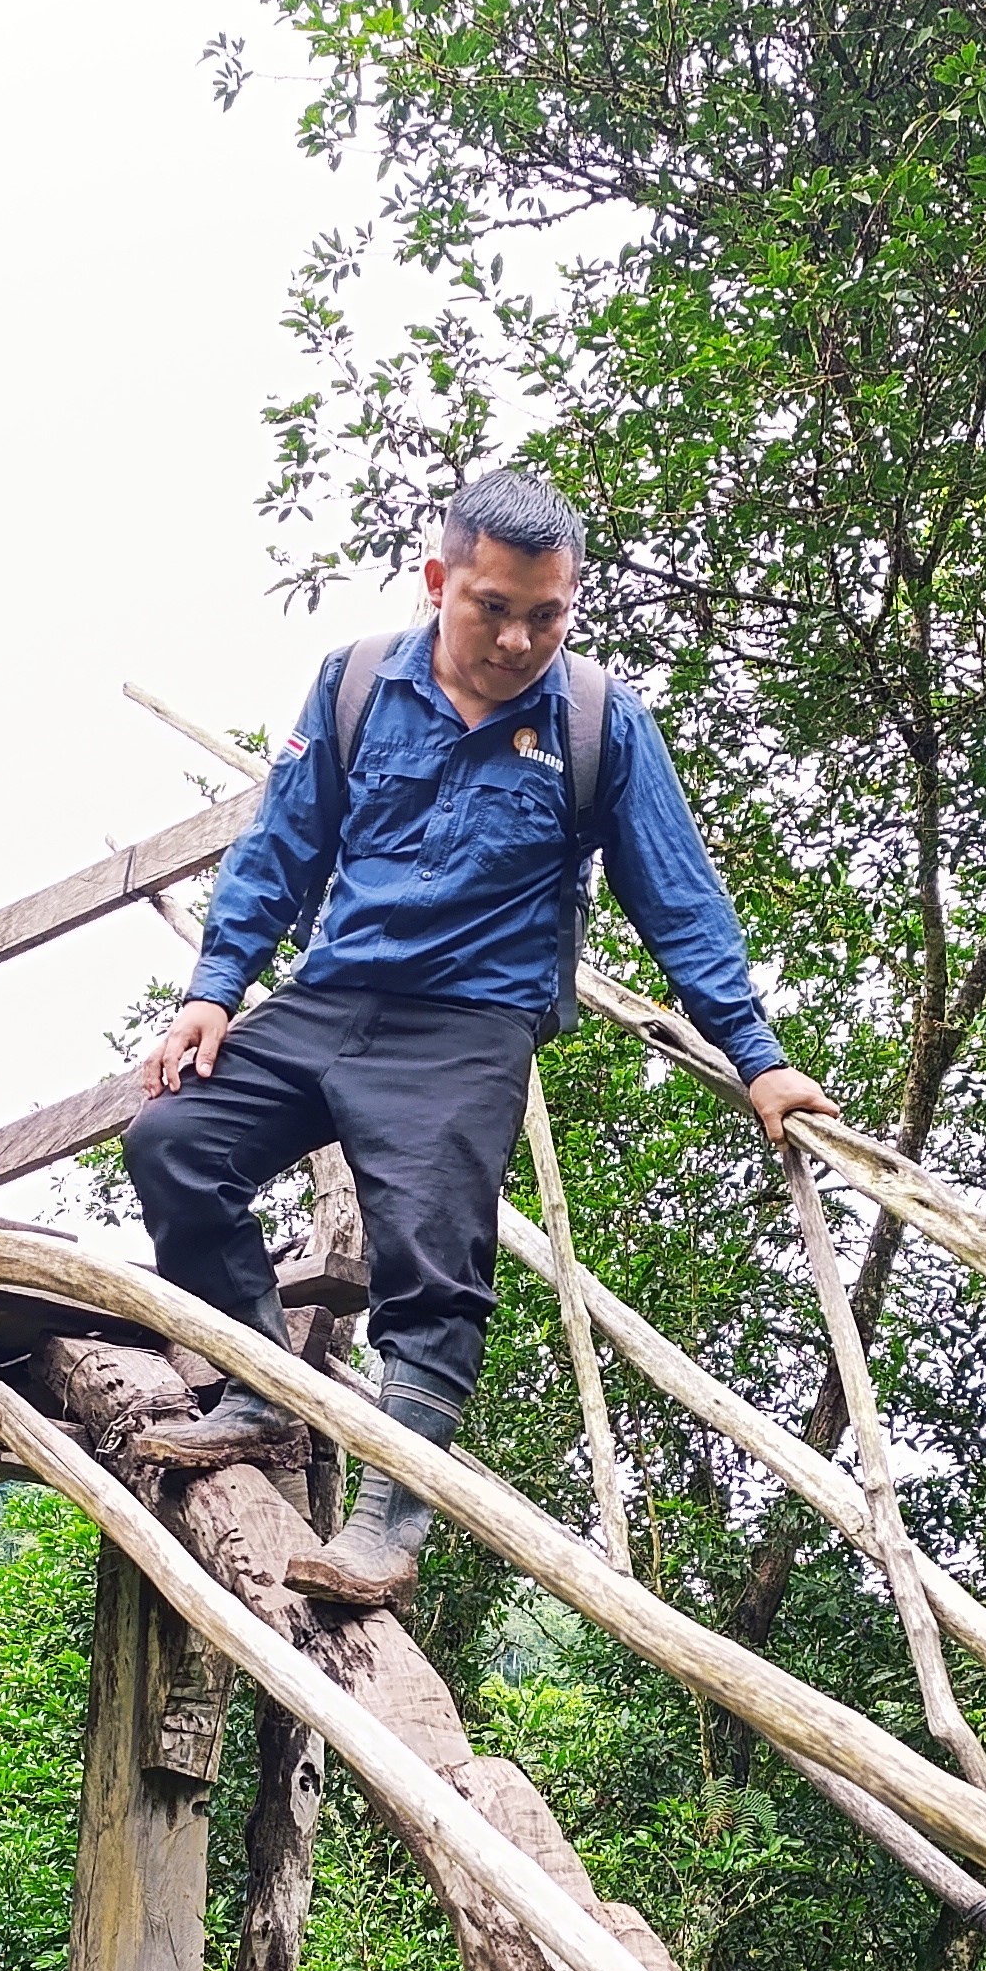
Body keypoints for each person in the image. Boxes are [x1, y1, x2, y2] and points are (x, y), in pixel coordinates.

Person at [127, 466, 832, 1605]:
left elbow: (680, 899)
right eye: (492, 608)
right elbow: (283, 848)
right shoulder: (356, 682)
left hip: (468, 1025)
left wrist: (760, 1058)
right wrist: (216, 987)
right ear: (438, 581)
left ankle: (388, 1522)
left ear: (572, 601)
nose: (517, 641)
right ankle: (260, 1392)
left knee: (431, 1253)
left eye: (545, 615)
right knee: (176, 1141)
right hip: (331, 998)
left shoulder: (600, 722)